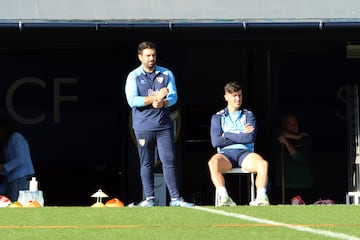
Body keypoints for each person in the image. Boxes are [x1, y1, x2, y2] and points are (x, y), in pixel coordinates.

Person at [124, 41, 193, 207]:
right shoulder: (134, 76)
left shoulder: (166, 74)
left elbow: (173, 96)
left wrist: (163, 103)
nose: (151, 58)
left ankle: (175, 199)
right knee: (146, 162)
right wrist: (155, 97)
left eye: (153, 55)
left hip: (163, 126)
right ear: (140, 57)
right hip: (143, 126)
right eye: (147, 56)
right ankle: (149, 199)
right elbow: (132, 100)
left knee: (168, 160)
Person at [208, 82, 269, 206]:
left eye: (240, 95)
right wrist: (241, 133)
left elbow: (250, 137)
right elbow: (216, 141)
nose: (238, 99)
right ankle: (225, 198)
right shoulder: (217, 117)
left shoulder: (248, 114)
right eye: (234, 95)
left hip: (245, 153)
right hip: (226, 154)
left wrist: (227, 134)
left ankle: (261, 197)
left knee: (263, 164)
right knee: (213, 163)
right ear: (226, 97)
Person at [274, 113, 313, 204]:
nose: (293, 126)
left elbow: (300, 158)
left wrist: (287, 143)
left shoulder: (305, 138)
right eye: (289, 123)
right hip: (284, 186)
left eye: (295, 123)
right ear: (284, 125)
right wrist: (294, 137)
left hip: (303, 185)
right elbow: (278, 133)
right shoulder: (279, 137)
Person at [0, 116, 35, 202]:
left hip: (22, 178)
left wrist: (3, 167)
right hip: (13, 180)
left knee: (18, 205)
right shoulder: (6, 142)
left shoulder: (16, 137)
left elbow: (21, 159)